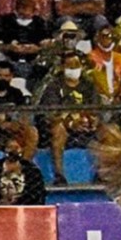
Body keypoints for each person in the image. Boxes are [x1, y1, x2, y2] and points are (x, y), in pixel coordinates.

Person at [38, 52, 101, 185]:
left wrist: (92, 120)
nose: (73, 68)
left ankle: (102, 173)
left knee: (108, 131)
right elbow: (52, 114)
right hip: (63, 126)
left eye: (76, 65)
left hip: (85, 125)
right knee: (58, 129)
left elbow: (95, 108)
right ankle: (59, 175)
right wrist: (71, 122)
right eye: (69, 65)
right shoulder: (54, 87)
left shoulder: (89, 86)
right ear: (62, 67)